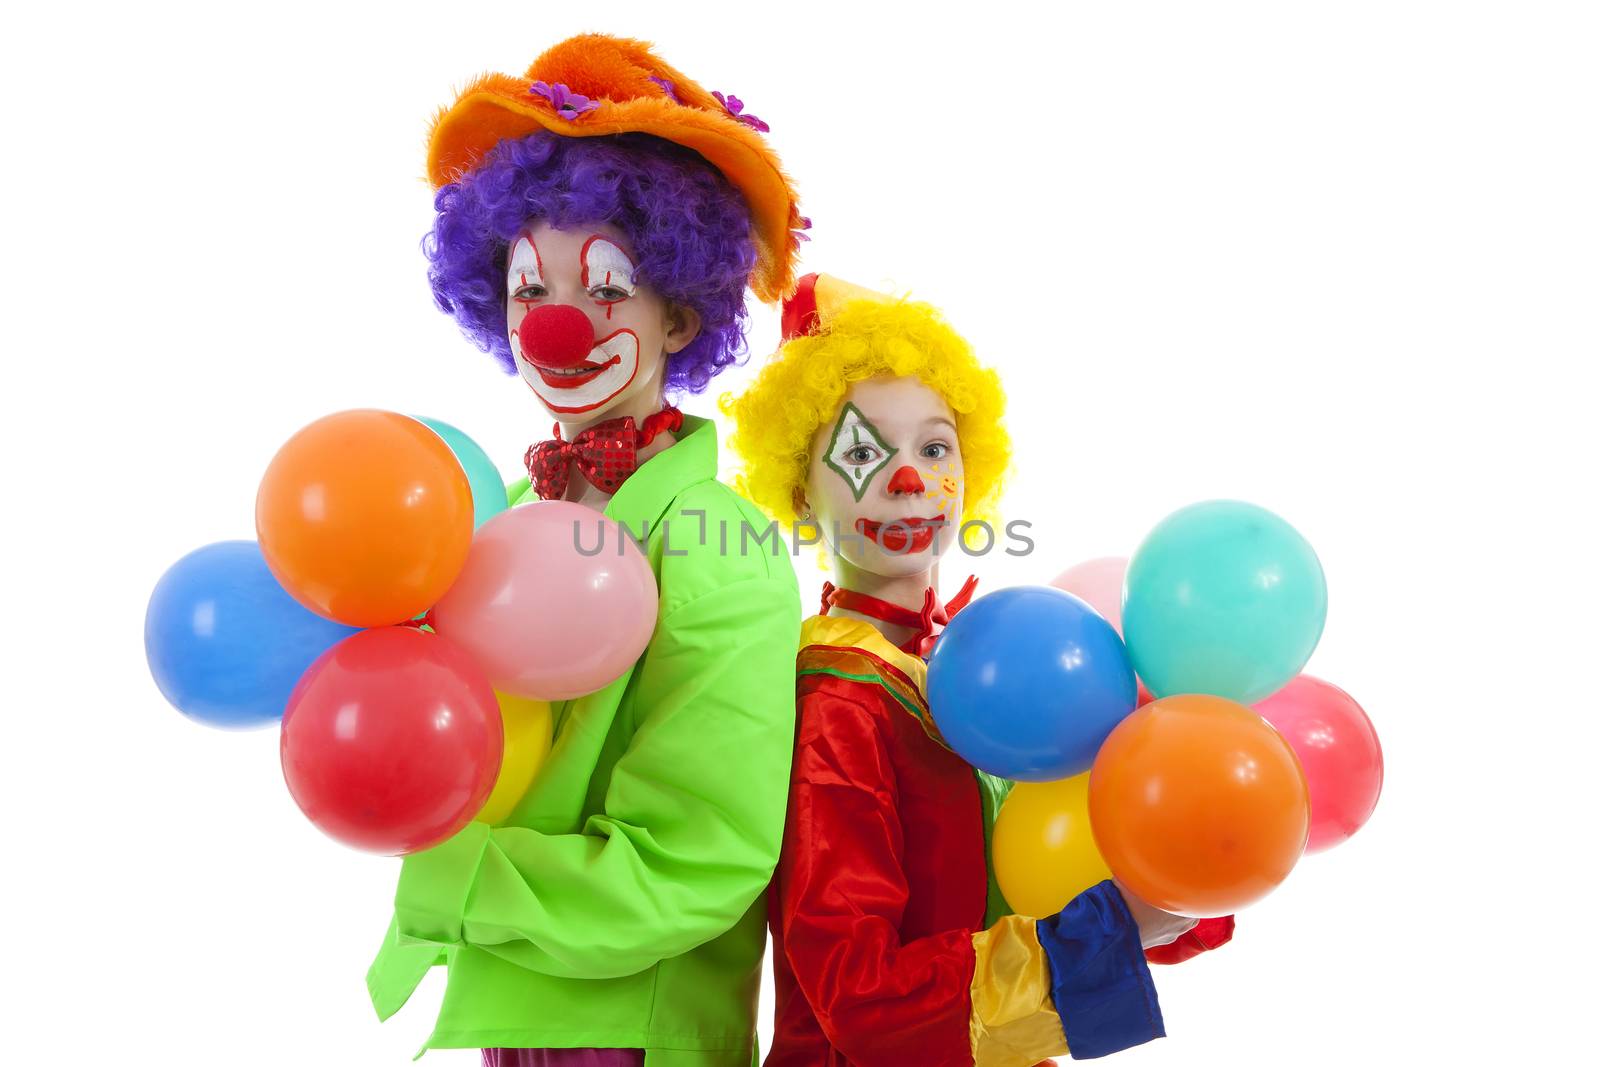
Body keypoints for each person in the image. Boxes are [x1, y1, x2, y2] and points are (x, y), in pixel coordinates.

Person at [364, 35, 808, 1066]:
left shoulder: (720, 543)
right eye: (530, 288)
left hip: (632, 1031)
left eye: (605, 288)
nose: (557, 326)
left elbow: (706, 856)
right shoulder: (503, 513)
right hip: (509, 1006)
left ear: (680, 309)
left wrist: (460, 879)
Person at [721, 275, 1234, 1066]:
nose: (909, 479)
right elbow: (859, 998)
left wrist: (1178, 865)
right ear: (797, 489)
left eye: (934, 446)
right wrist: (1105, 935)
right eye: (863, 451)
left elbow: (1037, 875)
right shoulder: (838, 694)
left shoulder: (977, 667)